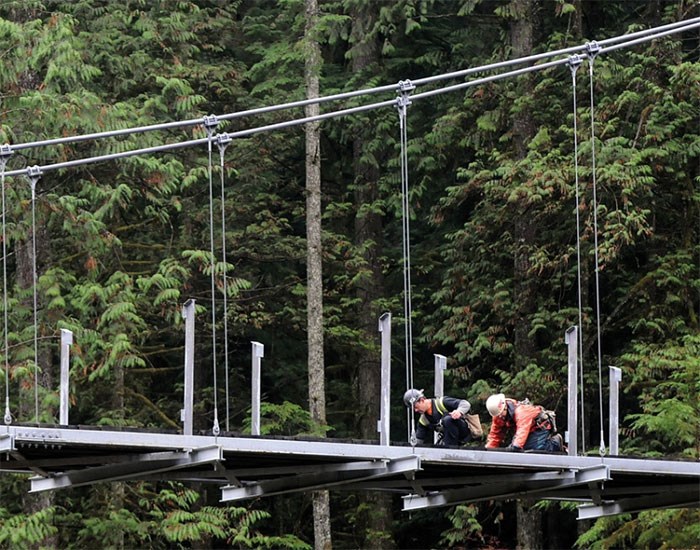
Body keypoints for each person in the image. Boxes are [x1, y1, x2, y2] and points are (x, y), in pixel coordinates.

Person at [484, 393, 564, 452]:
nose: (500, 417)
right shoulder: (498, 415)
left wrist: (514, 447)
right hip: (527, 430)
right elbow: (495, 435)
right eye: (498, 415)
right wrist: (488, 451)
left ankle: (555, 443)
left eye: (501, 414)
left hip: (539, 429)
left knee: (533, 451)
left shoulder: (521, 412)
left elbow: (521, 433)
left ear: (505, 407)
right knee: (521, 450)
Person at [403, 388, 473, 447]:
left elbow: (465, 404)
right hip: (449, 438)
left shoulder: (441, 402)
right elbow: (419, 440)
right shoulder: (424, 420)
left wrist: (459, 411)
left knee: (448, 420)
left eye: (416, 407)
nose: (416, 410)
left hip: (463, 432)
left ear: (422, 400)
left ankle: (450, 448)